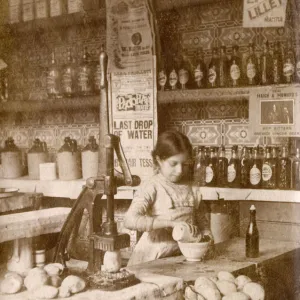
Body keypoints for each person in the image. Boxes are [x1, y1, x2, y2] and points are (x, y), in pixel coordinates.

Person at [124, 130, 213, 266]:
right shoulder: (152, 186)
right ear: (159, 160)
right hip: (153, 257)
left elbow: (201, 221)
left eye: (184, 164)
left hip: (182, 256)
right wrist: (169, 223)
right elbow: (130, 220)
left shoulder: (191, 187)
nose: (180, 171)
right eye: (173, 164)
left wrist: (207, 237)